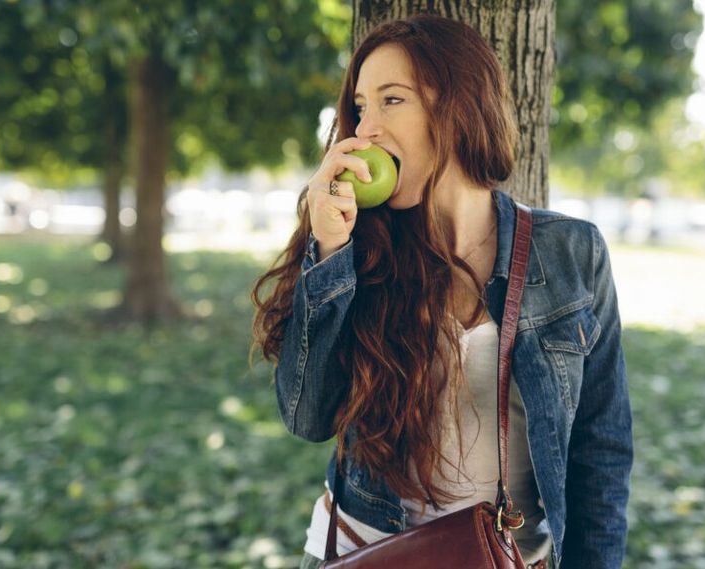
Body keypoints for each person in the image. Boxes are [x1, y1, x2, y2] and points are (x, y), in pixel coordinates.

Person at [251, 14, 632, 569]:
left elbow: (602, 451)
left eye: (392, 100)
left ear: (458, 106)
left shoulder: (572, 253)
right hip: (367, 555)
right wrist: (329, 251)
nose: (366, 130)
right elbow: (307, 417)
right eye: (361, 107)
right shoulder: (358, 246)